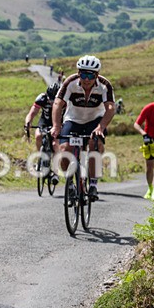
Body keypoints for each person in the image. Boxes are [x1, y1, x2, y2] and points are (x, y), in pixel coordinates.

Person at [51, 55, 115, 201]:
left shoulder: (105, 85)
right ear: (78, 73)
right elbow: (58, 103)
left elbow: (110, 108)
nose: (86, 79)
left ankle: (93, 183)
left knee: (95, 144)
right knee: (64, 149)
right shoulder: (70, 82)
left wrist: (101, 127)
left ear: (96, 75)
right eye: (83, 74)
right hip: (73, 119)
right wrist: (56, 126)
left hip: (95, 120)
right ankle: (71, 185)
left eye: (90, 75)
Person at [24, 83, 60, 185]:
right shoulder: (42, 98)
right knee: (38, 136)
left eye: (54, 100)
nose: (52, 102)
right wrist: (28, 123)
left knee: (55, 144)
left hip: (58, 122)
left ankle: (56, 172)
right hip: (45, 121)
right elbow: (32, 113)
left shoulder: (64, 100)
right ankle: (41, 157)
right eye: (50, 99)